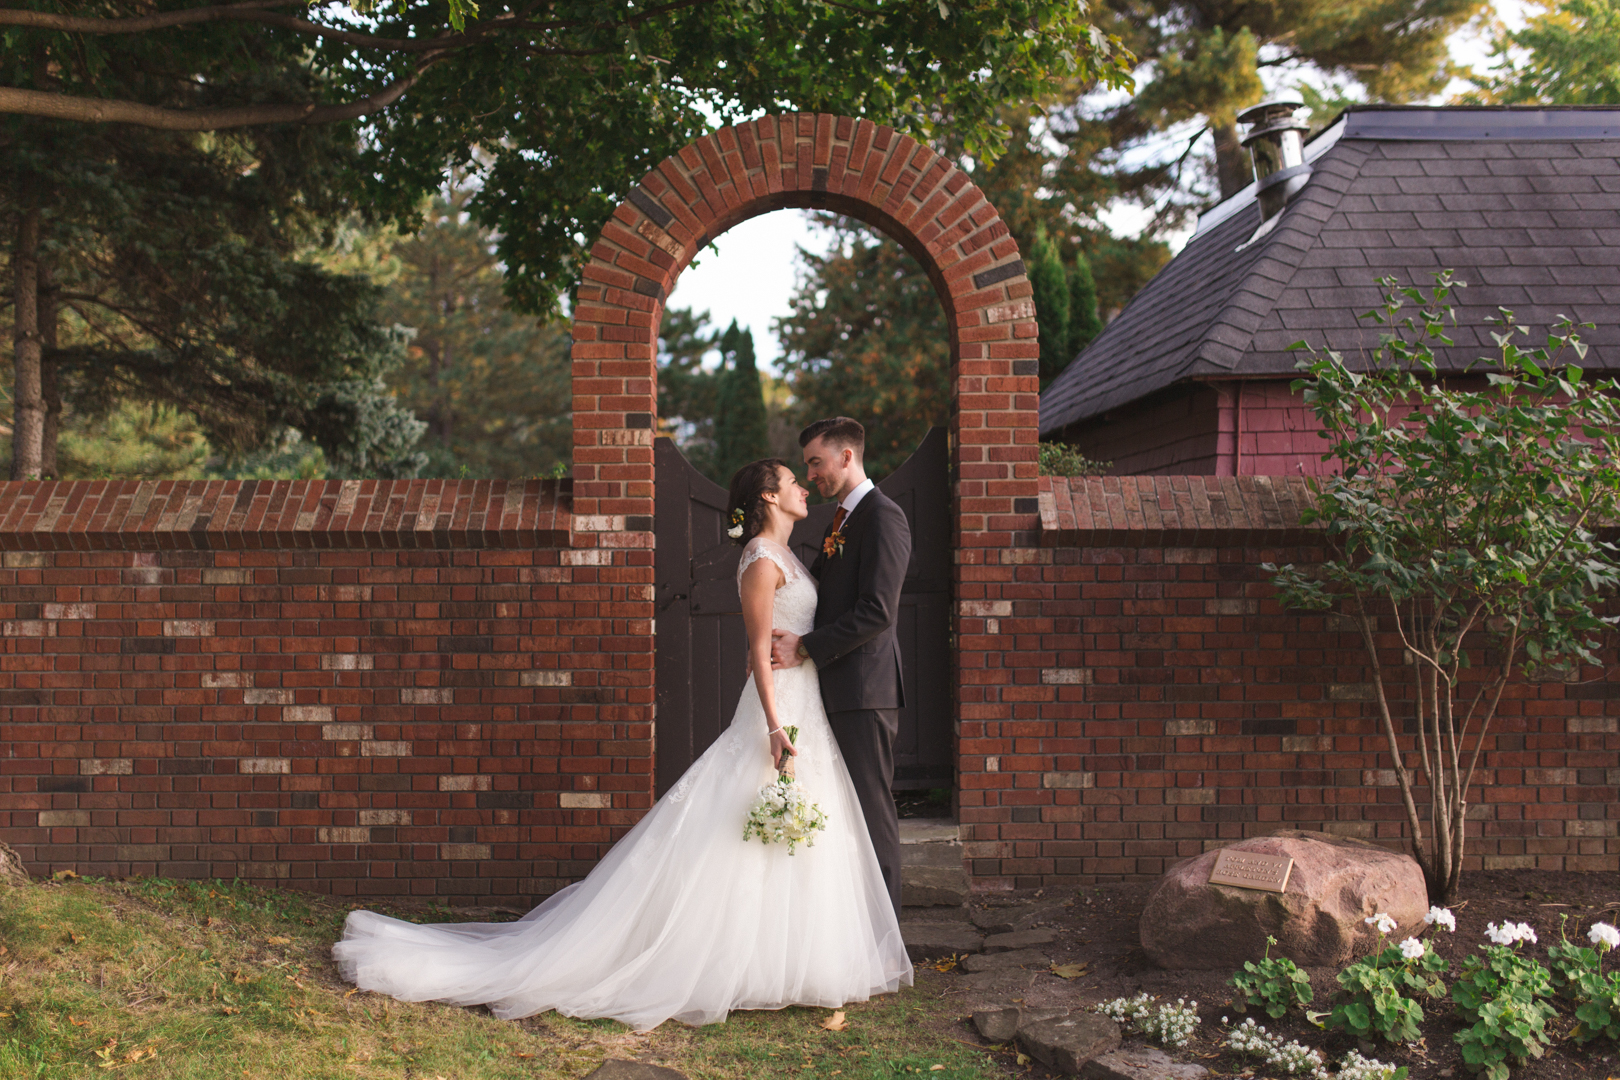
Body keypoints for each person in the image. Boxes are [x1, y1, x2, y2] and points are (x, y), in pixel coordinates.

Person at [332, 458, 912, 1032]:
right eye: (792, 480)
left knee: (791, 827)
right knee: (745, 826)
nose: (803, 487)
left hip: (806, 697)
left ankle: (793, 959)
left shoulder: (790, 555)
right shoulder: (761, 561)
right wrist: (774, 724)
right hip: (782, 707)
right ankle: (714, 958)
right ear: (767, 495)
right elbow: (756, 651)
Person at [770, 417, 911, 918]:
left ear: (846, 456)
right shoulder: (842, 520)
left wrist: (805, 647)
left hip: (864, 690)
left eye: (816, 462)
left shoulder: (882, 517)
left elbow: (877, 611)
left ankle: (886, 936)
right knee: (845, 814)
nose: (812, 475)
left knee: (872, 813)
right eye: (807, 464)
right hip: (837, 687)